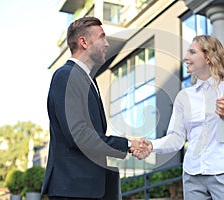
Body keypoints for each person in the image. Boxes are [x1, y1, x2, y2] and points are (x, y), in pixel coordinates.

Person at [134, 35, 224, 200]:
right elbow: (176, 139)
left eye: (192, 52)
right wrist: (152, 145)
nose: (186, 57)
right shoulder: (184, 96)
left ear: (208, 57)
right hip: (192, 177)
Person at [41, 16, 144, 200]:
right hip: (73, 190)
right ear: (84, 42)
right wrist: (127, 144)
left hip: (92, 188)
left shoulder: (89, 79)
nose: (106, 43)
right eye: (102, 37)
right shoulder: (65, 76)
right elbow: (78, 135)